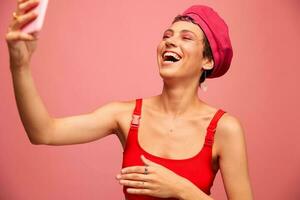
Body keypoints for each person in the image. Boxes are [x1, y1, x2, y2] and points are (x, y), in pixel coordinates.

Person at [6, 1, 253, 199]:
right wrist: (20, 65)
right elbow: (43, 132)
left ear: (207, 61)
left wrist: (182, 190)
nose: (170, 40)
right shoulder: (124, 115)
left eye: (186, 37)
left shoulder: (224, 129)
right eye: (167, 35)